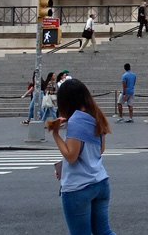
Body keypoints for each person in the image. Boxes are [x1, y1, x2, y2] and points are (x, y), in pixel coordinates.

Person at [48, 78, 116, 235]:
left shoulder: (76, 120)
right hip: (100, 182)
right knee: (104, 232)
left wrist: (56, 134)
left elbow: (71, 156)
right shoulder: (96, 115)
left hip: (78, 187)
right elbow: (99, 151)